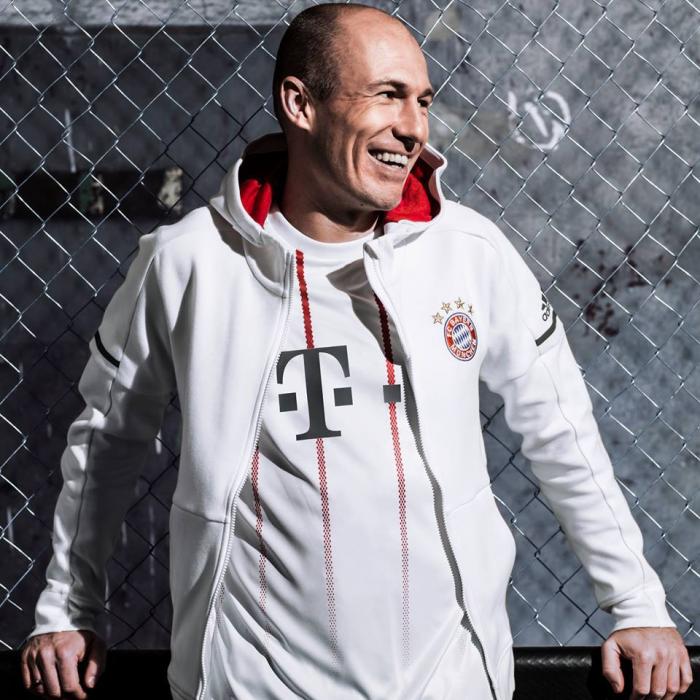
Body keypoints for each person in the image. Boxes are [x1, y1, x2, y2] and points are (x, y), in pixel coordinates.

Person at [20, 4, 693, 700]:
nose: (414, 126)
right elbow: (107, 440)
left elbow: (561, 431)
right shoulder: (187, 261)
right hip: (253, 685)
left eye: (422, 101)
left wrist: (637, 603)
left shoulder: (471, 253)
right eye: (388, 95)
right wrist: (69, 606)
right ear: (300, 104)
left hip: (450, 681)